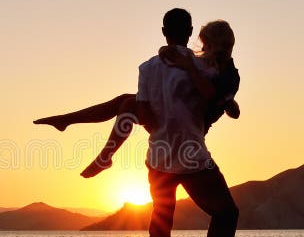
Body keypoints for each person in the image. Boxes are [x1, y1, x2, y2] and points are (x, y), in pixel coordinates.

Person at [136, 9, 250, 237]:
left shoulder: (146, 68)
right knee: (226, 212)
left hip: (158, 157)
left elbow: (145, 114)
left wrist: (161, 129)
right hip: (192, 157)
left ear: (164, 31)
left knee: (160, 224)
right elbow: (215, 93)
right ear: (189, 32)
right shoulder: (203, 67)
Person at [34, 20, 241, 178]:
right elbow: (216, 95)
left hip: (186, 127)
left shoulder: (223, 74)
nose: (202, 49)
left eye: (205, 45)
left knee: (127, 103)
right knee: (124, 100)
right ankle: (69, 122)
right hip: (175, 121)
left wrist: (227, 102)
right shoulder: (208, 66)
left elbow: (217, 98)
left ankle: (103, 154)